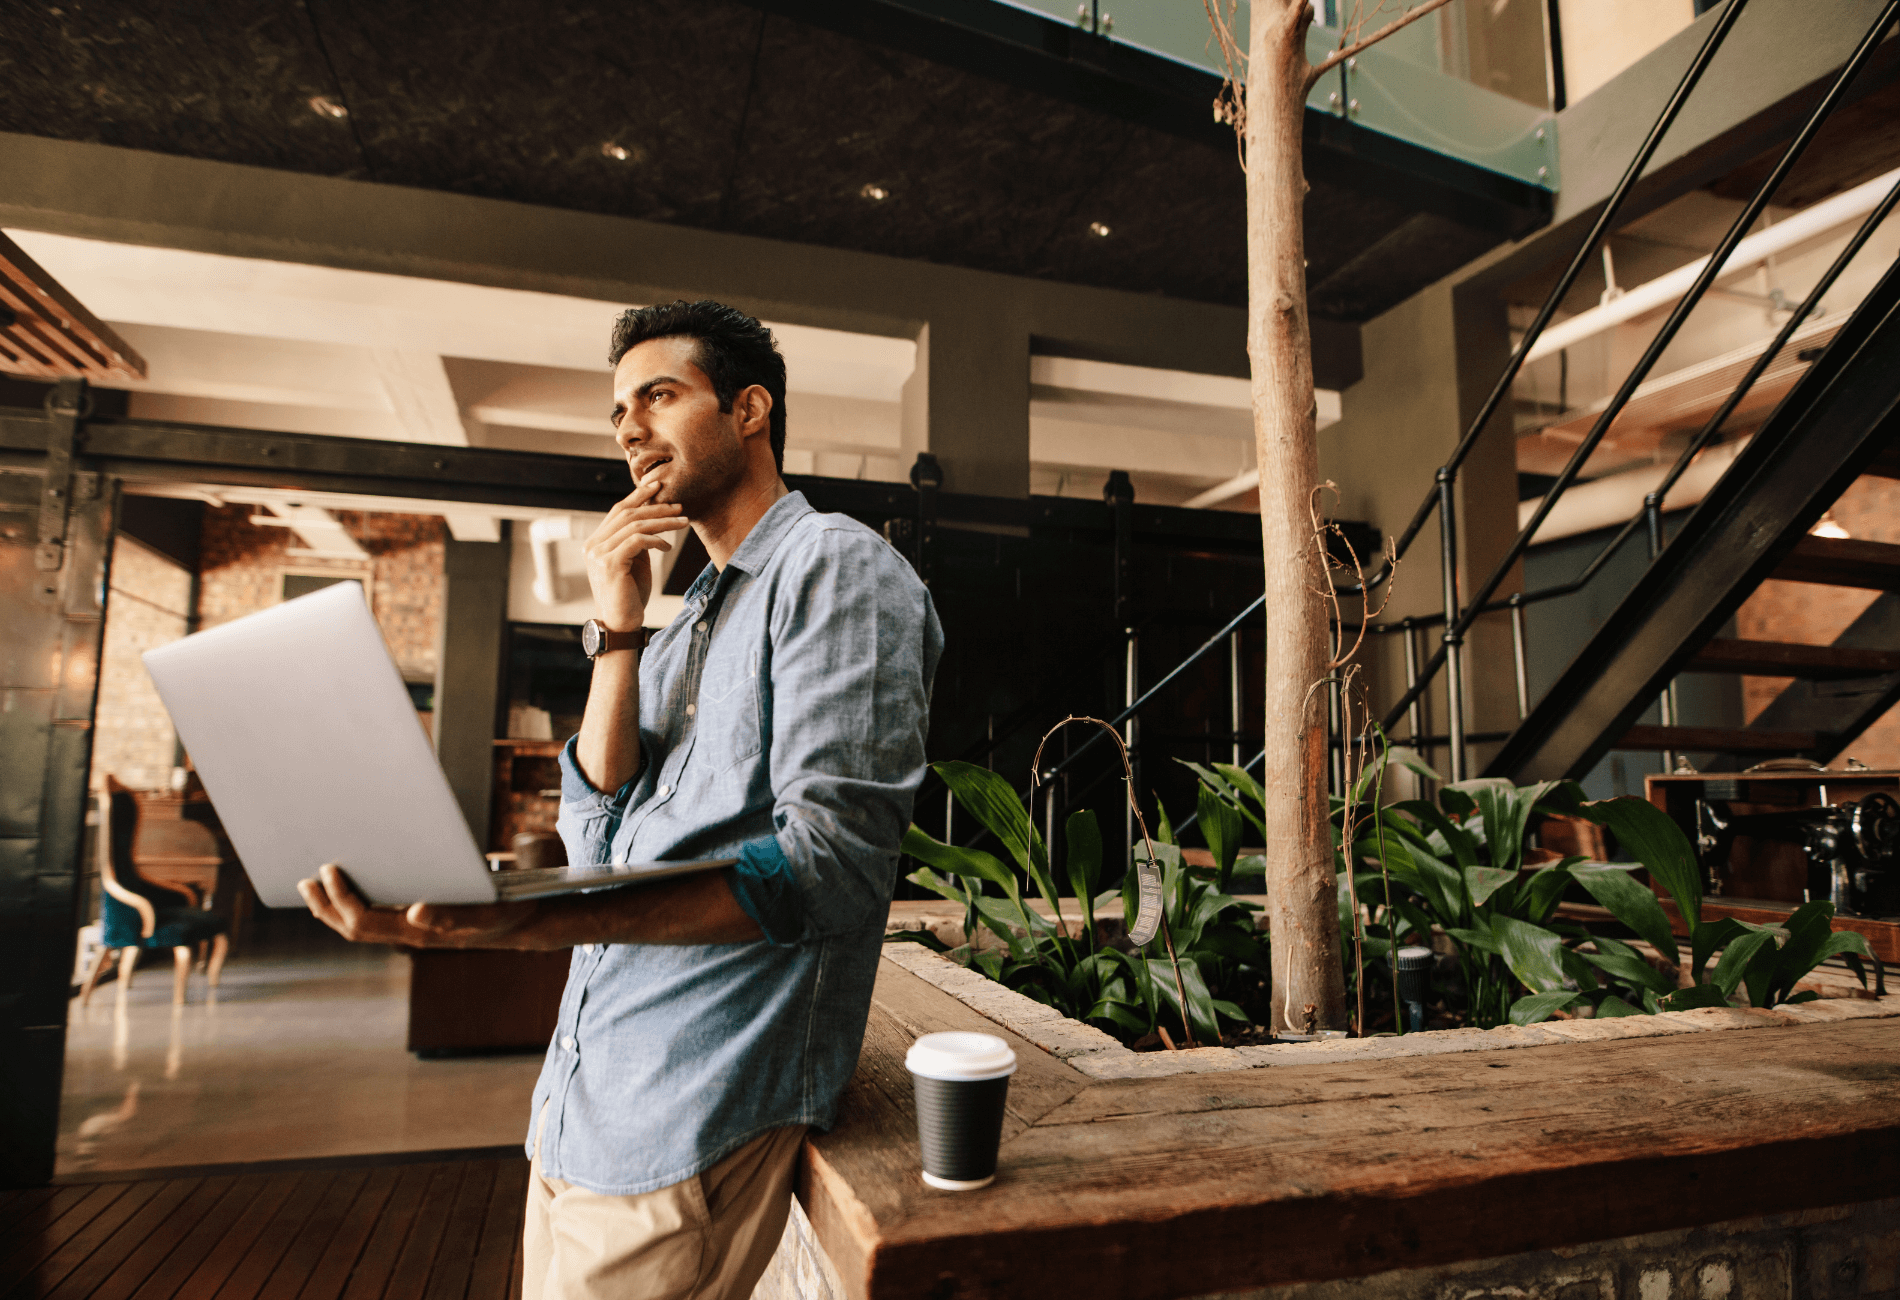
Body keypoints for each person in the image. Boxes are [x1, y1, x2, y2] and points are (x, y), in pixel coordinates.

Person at [299, 299, 942, 1300]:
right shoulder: (682, 627)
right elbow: (594, 827)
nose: (629, 428)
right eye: (616, 412)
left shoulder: (840, 569)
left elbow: (829, 868)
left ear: (749, 411)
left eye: (658, 394)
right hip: (576, 1114)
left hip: (686, 1120)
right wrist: (617, 622)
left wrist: (506, 926)